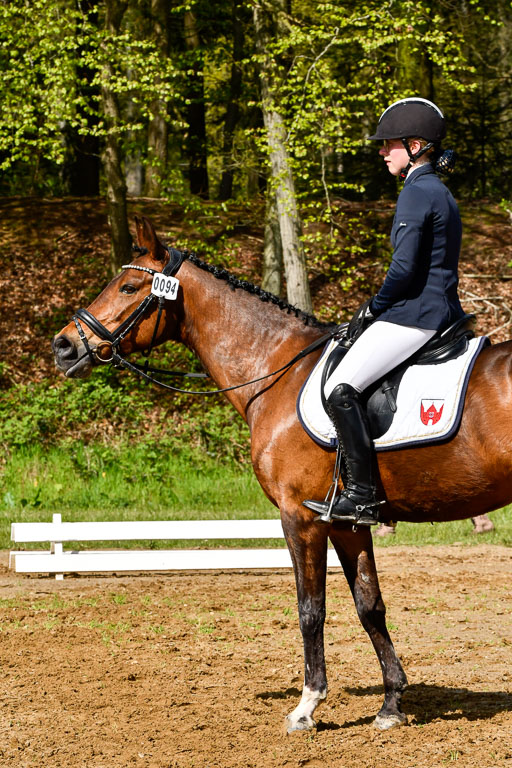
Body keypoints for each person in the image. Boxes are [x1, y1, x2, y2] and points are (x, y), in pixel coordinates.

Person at [304, 97, 465, 526]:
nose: (381, 151)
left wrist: (372, 308)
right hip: (441, 309)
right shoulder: (440, 191)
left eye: (388, 144)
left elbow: (404, 269)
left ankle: (361, 496)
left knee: (340, 388)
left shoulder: (416, 193)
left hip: (416, 315)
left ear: (414, 146)